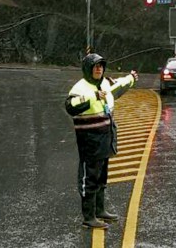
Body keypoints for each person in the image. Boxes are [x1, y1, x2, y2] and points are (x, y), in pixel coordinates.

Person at [65, 53, 138, 229]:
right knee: (89, 179)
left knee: (101, 177)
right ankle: (88, 217)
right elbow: (70, 106)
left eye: (101, 66)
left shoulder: (105, 83)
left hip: (105, 139)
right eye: (95, 66)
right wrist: (93, 97)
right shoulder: (80, 88)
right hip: (89, 141)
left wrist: (131, 78)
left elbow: (118, 85)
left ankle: (100, 210)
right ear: (88, 69)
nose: (99, 69)